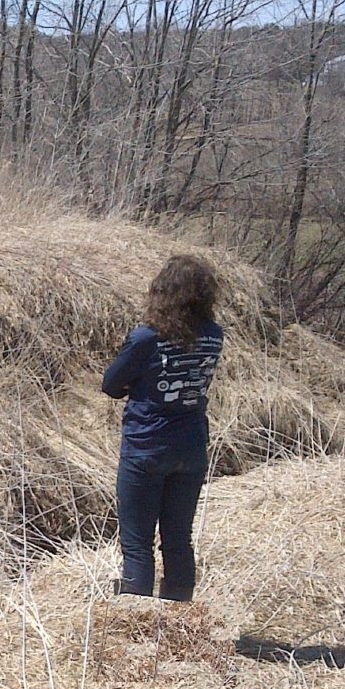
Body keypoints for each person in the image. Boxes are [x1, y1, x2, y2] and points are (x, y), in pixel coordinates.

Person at [101, 255, 224, 601]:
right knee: (177, 538)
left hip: (147, 445)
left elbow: (111, 384)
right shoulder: (215, 336)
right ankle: (182, 620)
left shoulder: (146, 339)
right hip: (192, 446)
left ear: (162, 292)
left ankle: (137, 623)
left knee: (137, 542)